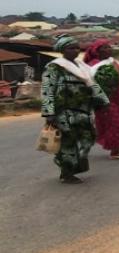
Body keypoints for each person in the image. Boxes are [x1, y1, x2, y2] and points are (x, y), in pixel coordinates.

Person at [40, 36, 109, 184]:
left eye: (77, 48)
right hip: (64, 112)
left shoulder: (82, 66)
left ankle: (70, 167)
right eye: (71, 48)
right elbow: (47, 89)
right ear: (62, 50)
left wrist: (103, 102)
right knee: (68, 142)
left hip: (83, 110)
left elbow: (93, 85)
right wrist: (49, 113)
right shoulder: (54, 67)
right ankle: (67, 173)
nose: (75, 51)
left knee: (88, 138)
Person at [82, 39, 119, 159]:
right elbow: (89, 82)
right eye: (104, 48)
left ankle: (86, 139)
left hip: (117, 100)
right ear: (97, 51)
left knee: (106, 124)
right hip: (103, 100)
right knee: (115, 123)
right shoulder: (92, 66)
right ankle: (115, 151)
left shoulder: (113, 62)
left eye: (109, 47)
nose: (108, 50)